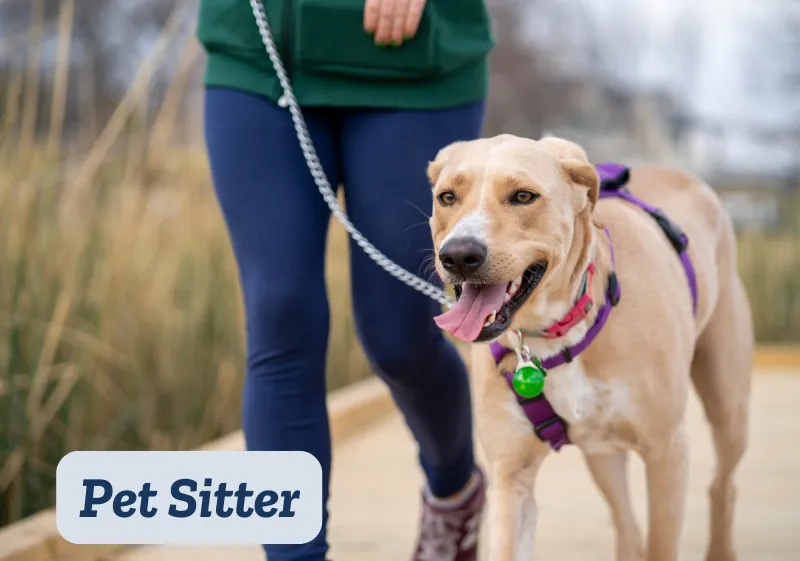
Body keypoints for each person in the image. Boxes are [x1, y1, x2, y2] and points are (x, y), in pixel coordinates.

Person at [197, 1, 494, 559]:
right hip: (258, 64)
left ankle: (456, 491)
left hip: (415, 66)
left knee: (400, 338)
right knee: (280, 314)